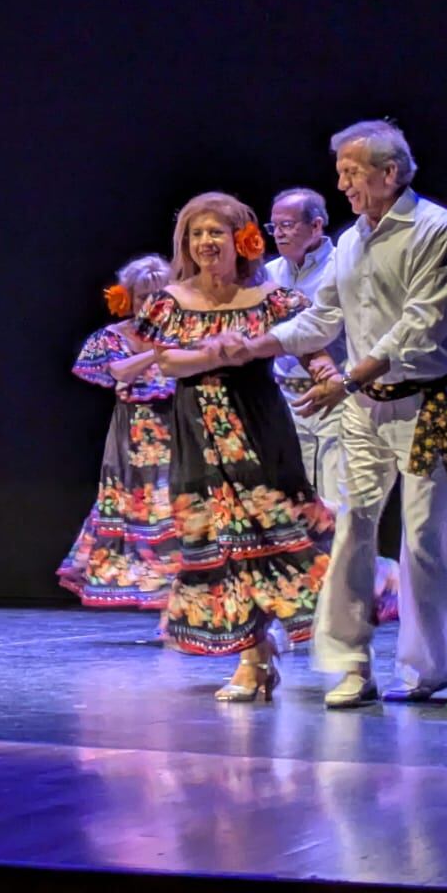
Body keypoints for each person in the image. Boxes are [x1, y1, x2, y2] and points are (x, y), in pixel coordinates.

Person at [241, 120, 447, 708]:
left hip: (430, 405)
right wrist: (249, 343)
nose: (341, 183)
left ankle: (423, 671)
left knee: (424, 537)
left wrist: (345, 380)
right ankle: (350, 664)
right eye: (341, 171)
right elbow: (320, 319)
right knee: (350, 527)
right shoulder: (351, 241)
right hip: (363, 410)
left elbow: (422, 327)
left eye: (351, 172)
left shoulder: (434, 230)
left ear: (388, 172)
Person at [132, 195, 331, 700]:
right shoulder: (170, 301)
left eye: (216, 233)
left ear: (241, 238)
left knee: (273, 533)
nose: (205, 243)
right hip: (197, 433)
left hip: (259, 428)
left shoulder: (270, 296)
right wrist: (217, 352)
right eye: (196, 234)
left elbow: (310, 346)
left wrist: (329, 377)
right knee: (222, 543)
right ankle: (254, 656)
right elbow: (168, 364)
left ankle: (363, 590)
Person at [54, 255, 178, 612]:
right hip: (130, 442)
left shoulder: (182, 337)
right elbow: (120, 373)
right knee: (132, 515)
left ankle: (176, 608)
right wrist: (156, 352)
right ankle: (155, 598)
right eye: (142, 297)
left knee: (172, 517)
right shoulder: (114, 338)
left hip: (175, 438)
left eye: (158, 297)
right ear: (130, 298)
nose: (150, 306)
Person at [264, 188, 345, 502]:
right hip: (285, 396)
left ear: (316, 225)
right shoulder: (269, 273)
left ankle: (342, 554)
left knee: (336, 496)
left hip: (334, 395)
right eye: (274, 227)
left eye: (288, 225)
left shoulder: (342, 265)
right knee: (291, 496)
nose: (279, 234)